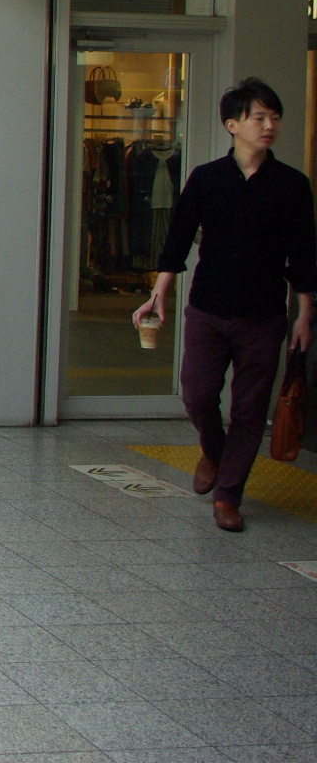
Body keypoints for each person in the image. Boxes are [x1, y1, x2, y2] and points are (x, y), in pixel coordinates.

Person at [134, 77, 316, 533]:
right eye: (259, 117)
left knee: (250, 411)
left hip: (264, 314)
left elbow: (304, 254)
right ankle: (215, 452)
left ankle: (228, 496)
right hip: (208, 308)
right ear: (232, 124)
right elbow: (178, 240)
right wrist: (158, 293)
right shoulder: (206, 178)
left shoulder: (293, 185)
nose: (269, 126)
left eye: (275, 118)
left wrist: (304, 313)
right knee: (197, 395)